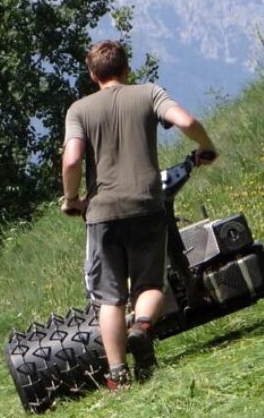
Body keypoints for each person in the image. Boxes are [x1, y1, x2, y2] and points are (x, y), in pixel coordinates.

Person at [60, 39, 217, 392]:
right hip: (147, 205)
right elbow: (186, 120)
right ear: (127, 68)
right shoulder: (148, 93)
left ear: (91, 74)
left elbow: (71, 160)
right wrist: (205, 146)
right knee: (149, 285)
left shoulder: (79, 110)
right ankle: (142, 328)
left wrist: (72, 199)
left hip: (101, 214)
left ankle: (117, 376)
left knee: (110, 297)